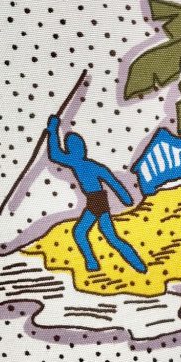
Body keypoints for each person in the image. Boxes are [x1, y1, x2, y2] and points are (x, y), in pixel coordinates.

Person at [46, 115, 147, 273]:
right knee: (95, 234)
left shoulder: (82, 164)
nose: (71, 150)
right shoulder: (81, 163)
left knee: (90, 233)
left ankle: (129, 264)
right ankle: (99, 263)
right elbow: (55, 155)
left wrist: (53, 130)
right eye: (70, 146)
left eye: (73, 146)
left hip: (97, 200)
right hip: (96, 200)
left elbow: (112, 182)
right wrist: (53, 130)